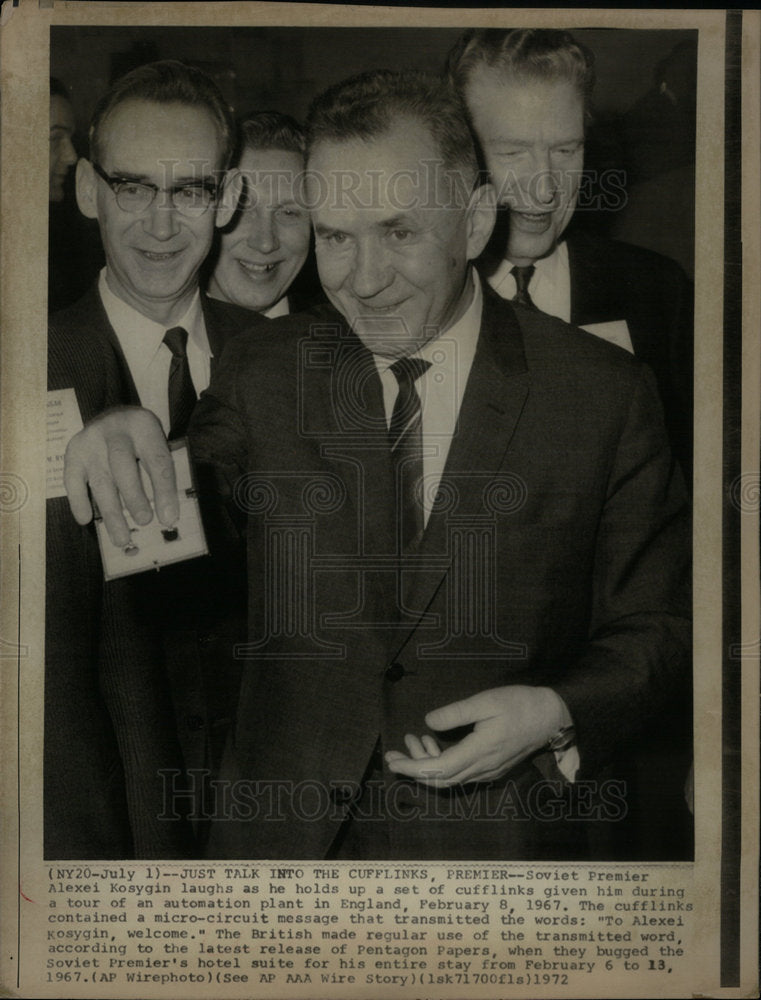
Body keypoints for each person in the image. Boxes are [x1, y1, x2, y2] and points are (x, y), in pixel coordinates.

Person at [63, 70, 691, 861]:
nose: (361, 281)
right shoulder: (265, 369)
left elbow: (661, 625)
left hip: (492, 858)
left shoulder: (603, 395)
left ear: (473, 222)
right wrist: (125, 436)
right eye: (333, 237)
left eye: (398, 233)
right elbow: (191, 517)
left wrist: (557, 709)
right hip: (280, 857)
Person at [46, 60, 264, 859]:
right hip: (101, 836)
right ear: (86, 190)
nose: (161, 226)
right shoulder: (22, 369)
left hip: (265, 833)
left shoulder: (288, 365)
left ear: (230, 197)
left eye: (192, 191)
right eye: (133, 188)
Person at [446, 28, 694, 480]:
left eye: (565, 149)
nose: (545, 187)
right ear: (458, 153)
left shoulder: (659, 294)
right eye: (513, 152)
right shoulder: (419, 296)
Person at [206, 111, 318, 316]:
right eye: (242, 208)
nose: (265, 243)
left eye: (288, 213)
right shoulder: (163, 337)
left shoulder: (350, 340)